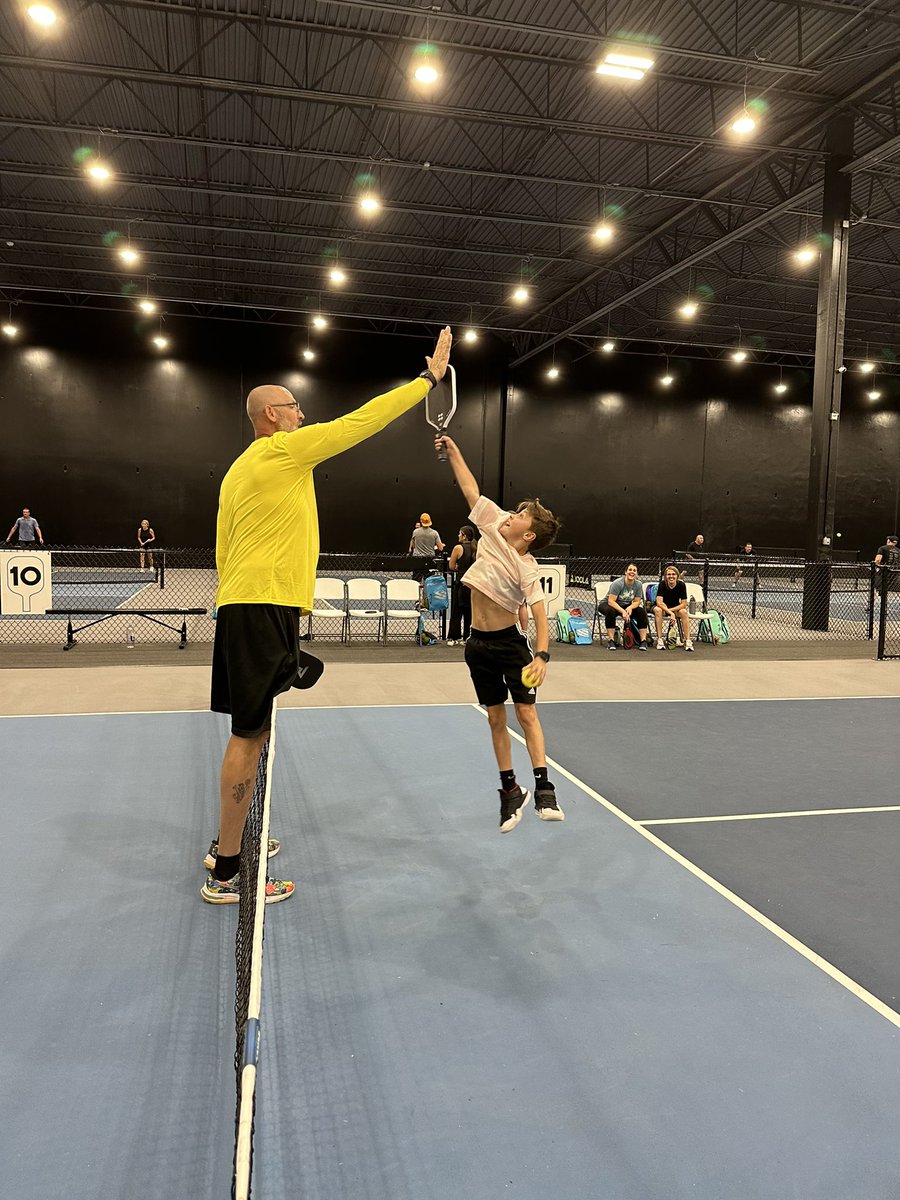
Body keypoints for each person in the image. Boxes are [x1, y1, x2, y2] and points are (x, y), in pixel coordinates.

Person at [201, 325, 453, 903]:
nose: (302, 413)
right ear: (270, 415)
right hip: (262, 603)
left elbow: (221, 547)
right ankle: (227, 871)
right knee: (248, 733)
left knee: (255, 729)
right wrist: (426, 380)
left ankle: (230, 843)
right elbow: (360, 422)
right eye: (293, 406)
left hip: (247, 602)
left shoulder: (239, 470)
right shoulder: (283, 450)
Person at [437, 432, 564, 833]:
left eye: (520, 515)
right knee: (495, 718)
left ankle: (544, 789)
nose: (511, 514)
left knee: (526, 713)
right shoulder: (492, 524)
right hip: (478, 645)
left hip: (511, 646)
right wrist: (455, 452)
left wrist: (541, 656)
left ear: (528, 535)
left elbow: (541, 616)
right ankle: (511, 792)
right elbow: (470, 489)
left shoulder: (527, 568)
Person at [599, 563, 649, 650]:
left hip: (626, 606)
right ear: (625, 572)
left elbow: (637, 601)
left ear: (637, 574)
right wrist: (623, 611)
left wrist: (630, 608)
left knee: (641, 612)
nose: (632, 572)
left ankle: (643, 641)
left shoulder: (638, 584)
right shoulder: (618, 583)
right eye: (630, 570)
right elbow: (611, 601)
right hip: (609, 604)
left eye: (634, 570)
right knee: (610, 611)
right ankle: (611, 641)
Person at [446, 524, 477, 645]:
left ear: (464, 536)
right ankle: (467, 637)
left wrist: (458, 567)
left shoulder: (458, 548)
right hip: (473, 584)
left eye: (460, 533)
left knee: (456, 611)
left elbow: (451, 566)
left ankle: (453, 637)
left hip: (461, 583)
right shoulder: (477, 547)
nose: (458, 535)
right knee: (470, 611)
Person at [654, 563, 693, 651]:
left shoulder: (681, 585)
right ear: (665, 576)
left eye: (673, 574)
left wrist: (671, 611)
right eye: (669, 574)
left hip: (675, 608)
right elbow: (659, 603)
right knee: (657, 610)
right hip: (663, 608)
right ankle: (660, 639)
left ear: (677, 576)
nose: (671, 576)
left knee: (684, 612)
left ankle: (688, 640)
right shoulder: (662, 584)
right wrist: (670, 613)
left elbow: (683, 604)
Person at [409, 513, 445, 582]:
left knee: (416, 581)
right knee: (429, 582)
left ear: (421, 521)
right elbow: (441, 548)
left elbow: (413, 546)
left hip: (417, 559)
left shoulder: (415, 532)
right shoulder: (434, 533)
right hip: (429, 560)